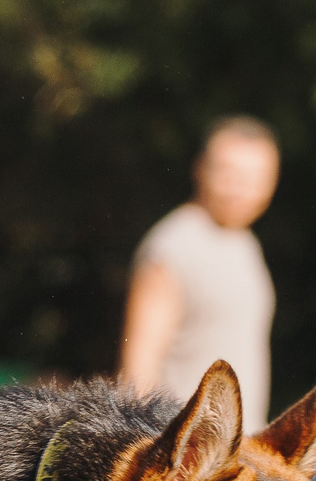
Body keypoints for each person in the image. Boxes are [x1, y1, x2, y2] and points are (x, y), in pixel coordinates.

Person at [118, 117, 281, 428]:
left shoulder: (244, 242)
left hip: (237, 452)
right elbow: (138, 375)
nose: (241, 189)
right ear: (200, 168)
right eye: (229, 174)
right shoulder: (172, 248)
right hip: (188, 456)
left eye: (255, 177)